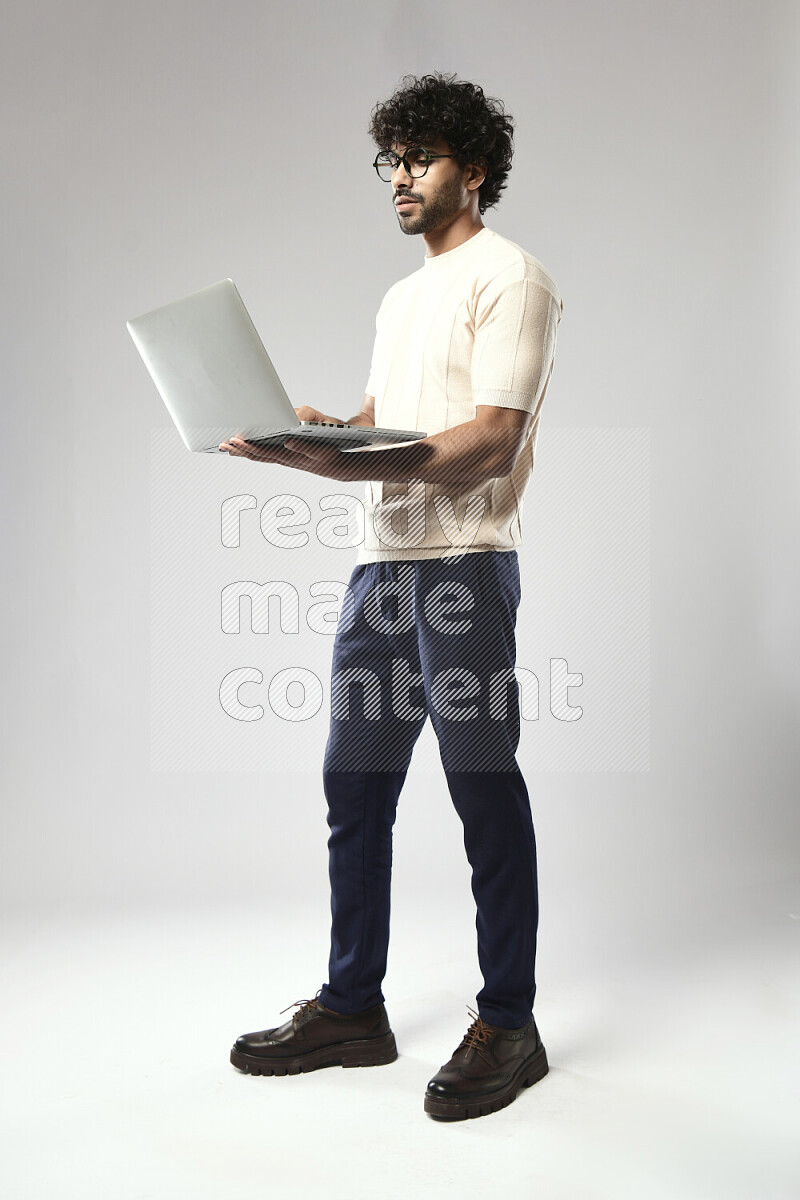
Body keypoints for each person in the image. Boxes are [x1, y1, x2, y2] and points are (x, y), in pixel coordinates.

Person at [221, 71, 564, 1122]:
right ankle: (351, 1008)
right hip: (381, 572)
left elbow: (486, 442)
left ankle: (508, 1020)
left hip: (460, 569)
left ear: (477, 169)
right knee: (354, 791)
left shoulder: (511, 278)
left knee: (478, 787)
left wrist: (341, 469)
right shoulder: (398, 297)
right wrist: (327, 432)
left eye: (418, 158)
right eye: (391, 161)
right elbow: (395, 419)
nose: (399, 178)